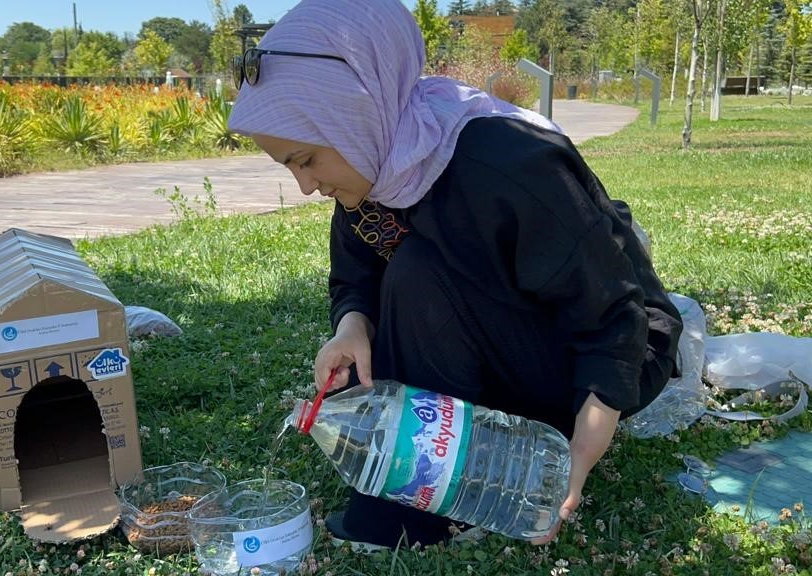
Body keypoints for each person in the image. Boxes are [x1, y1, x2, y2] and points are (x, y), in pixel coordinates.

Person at [228, 0, 683, 549]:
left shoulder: (505, 162)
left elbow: (612, 314)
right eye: (290, 166)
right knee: (410, 278)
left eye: (307, 160)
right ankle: (440, 459)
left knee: (418, 272)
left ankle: (425, 507)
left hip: (603, 349)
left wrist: (578, 452)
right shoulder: (377, 164)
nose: (305, 186)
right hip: (506, 334)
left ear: (356, 112)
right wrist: (352, 327)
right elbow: (356, 275)